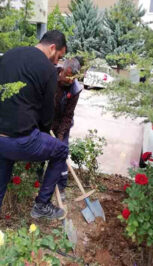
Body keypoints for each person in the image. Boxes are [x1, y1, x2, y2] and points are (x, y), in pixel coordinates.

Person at [0, 30, 68, 219]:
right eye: (59, 57)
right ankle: (42, 205)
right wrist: (44, 135)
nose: (56, 62)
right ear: (53, 48)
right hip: (20, 140)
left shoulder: (9, 55)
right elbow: (47, 115)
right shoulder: (48, 70)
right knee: (60, 151)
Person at [52, 58, 82, 201]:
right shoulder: (50, 76)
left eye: (73, 78)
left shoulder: (75, 89)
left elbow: (68, 115)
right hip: (46, 122)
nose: (70, 81)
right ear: (62, 69)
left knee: (62, 152)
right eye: (68, 76)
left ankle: (61, 187)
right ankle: (40, 177)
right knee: (41, 151)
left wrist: (60, 135)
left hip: (63, 124)